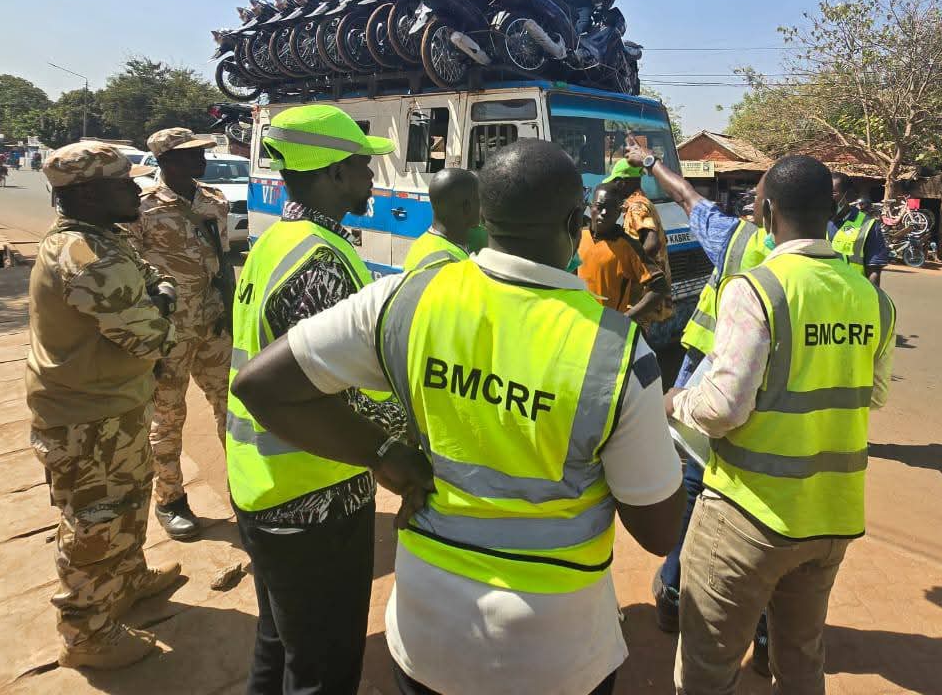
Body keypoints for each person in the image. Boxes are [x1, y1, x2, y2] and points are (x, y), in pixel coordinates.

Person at [232, 138, 686, 695]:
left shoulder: (401, 299)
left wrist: (384, 454)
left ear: (484, 217)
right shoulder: (617, 352)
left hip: (427, 632)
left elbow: (260, 385)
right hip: (557, 649)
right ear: (575, 224)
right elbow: (660, 531)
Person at [669, 155, 896, 694]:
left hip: (750, 511)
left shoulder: (758, 289)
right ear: (832, 208)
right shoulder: (873, 299)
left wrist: (677, 401)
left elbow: (721, 409)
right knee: (800, 658)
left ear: (768, 212)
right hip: (830, 516)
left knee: (707, 665)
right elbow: (875, 393)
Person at [225, 104, 402, 695]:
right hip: (312, 499)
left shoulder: (281, 240)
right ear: (331, 174)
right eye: (361, 166)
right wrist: (397, 441)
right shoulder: (320, 264)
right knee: (323, 667)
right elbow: (336, 393)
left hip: (262, 484)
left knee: (278, 644)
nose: (372, 178)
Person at [27, 141, 183, 669]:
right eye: (124, 182)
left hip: (111, 407)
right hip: (86, 421)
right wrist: (161, 305)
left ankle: (126, 582)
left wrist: (157, 299)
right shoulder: (85, 256)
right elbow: (149, 335)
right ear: (90, 194)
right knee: (94, 524)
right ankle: (86, 634)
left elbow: (156, 290)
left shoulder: (103, 238)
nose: (136, 188)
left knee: (126, 505)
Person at [622, 142, 771, 634]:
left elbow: (687, 196)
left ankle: (671, 587)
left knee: (693, 481)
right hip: (777, 424)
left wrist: (648, 161)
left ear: (766, 209)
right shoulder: (837, 269)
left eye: (756, 198)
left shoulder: (742, 241)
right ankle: (767, 634)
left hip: (710, 379)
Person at [123, 127, 232, 540]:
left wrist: (228, 308)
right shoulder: (142, 207)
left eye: (200, 153)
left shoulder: (213, 201)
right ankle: (170, 499)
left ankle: (242, 487)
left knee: (233, 409)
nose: (200, 160)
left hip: (214, 325)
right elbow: (133, 269)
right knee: (168, 417)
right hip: (169, 331)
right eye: (189, 155)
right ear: (166, 160)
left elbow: (221, 263)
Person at [577, 184, 671, 322]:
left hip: (607, 329)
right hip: (578, 322)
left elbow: (660, 287)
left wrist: (624, 319)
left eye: (610, 209)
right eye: (599, 206)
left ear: (619, 212)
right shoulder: (578, 236)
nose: (603, 213)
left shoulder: (628, 246)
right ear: (590, 207)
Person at [603, 157, 674, 324]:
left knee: (636, 334)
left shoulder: (637, 207)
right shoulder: (643, 203)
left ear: (621, 183)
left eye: (614, 184)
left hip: (645, 291)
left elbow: (652, 243)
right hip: (651, 289)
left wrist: (627, 270)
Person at [403, 167, 483, 271]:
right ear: (467, 207)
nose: (483, 207)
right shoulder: (445, 264)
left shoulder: (423, 244)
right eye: (480, 200)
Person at [828, 172, 891, 286]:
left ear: (848, 195)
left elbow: (874, 271)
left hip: (853, 297)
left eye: (833, 193)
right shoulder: (817, 220)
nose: (827, 197)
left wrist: (874, 300)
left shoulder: (867, 225)